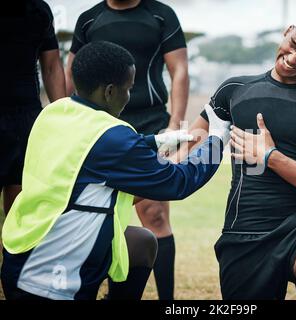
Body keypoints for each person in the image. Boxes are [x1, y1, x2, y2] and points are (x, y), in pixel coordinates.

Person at [1, 41, 229, 300]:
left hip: (20, 258)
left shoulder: (54, 113)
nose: (129, 96)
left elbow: (90, 149)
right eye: (128, 89)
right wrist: (216, 141)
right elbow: (178, 182)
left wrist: (156, 141)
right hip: (49, 280)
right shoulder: (113, 135)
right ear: (110, 92)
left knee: (141, 243)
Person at [181, 14, 296, 300]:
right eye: (293, 44)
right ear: (287, 31)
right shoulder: (234, 90)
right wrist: (145, 172)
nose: (293, 58)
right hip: (244, 232)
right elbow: (189, 146)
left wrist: (272, 157)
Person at [65, 0, 188, 300]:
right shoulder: (89, 19)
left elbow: (180, 70)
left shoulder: (161, 15)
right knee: (91, 210)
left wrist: (174, 125)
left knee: (155, 214)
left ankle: (167, 301)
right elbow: (71, 74)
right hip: (100, 123)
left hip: (150, 120)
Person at [0, 0, 65, 215]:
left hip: (26, 119)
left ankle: (12, 250)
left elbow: (52, 66)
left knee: (20, 209)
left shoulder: (38, 9)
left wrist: (64, 120)